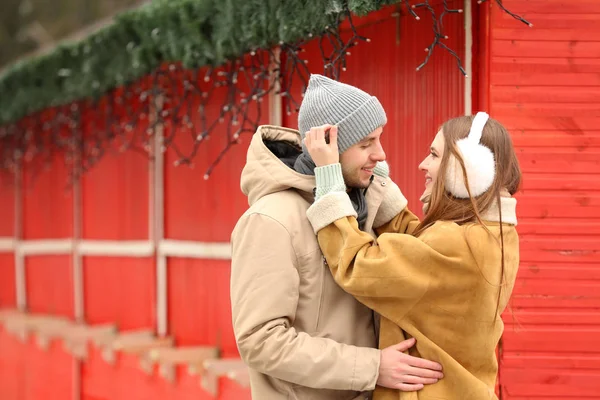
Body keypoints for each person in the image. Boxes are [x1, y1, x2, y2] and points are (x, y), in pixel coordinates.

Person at [230, 74, 443, 400]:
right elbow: (261, 341)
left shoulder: (360, 207)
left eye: (379, 139)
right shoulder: (271, 220)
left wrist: (379, 187)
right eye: (366, 143)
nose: (382, 154)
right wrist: (372, 367)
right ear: (329, 147)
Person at [304, 112, 520, 399]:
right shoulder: (492, 232)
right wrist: (379, 182)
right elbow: (419, 249)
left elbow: (358, 264)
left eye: (434, 155)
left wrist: (330, 186)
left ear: (467, 168)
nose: (423, 164)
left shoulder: (457, 242)